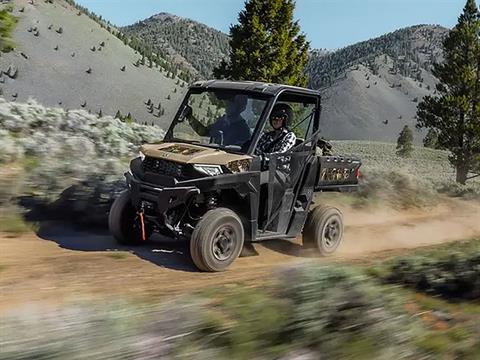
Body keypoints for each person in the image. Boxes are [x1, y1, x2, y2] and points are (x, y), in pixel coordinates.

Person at [255, 103, 297, 169]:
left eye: (279, 118)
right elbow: (257, 149)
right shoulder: (266, 135)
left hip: (279, 171)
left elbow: (281, 154)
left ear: (285, 119)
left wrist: (263, 157)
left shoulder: (290, 136)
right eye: (273, 118)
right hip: (263, 167)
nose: (275, 120)